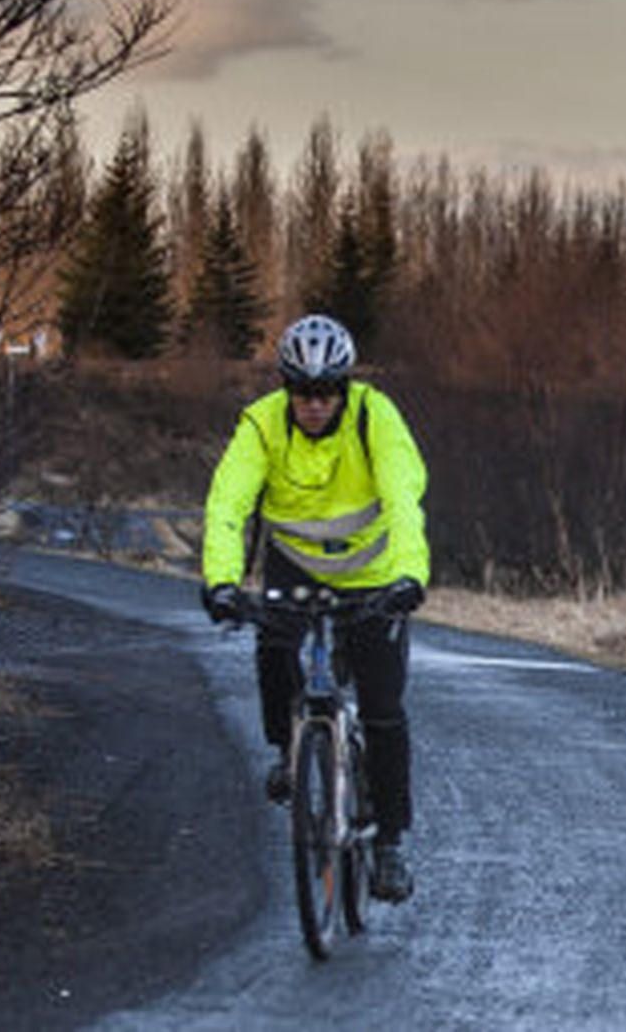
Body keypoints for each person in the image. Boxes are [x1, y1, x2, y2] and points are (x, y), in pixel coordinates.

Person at [200, 314, 428, 903]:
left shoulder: (376, 418)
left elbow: (404, 500)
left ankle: (390, 846)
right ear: (286, 386)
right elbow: (228, 502)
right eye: (302, 391)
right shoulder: (262, 425)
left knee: (382, 710)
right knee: (273, 642)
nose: (314, 404)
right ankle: (287, 748)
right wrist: (221, 582)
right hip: (294, 569)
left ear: (345, 386)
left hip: (375, 577)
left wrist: (410, 576)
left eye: (327, 391)